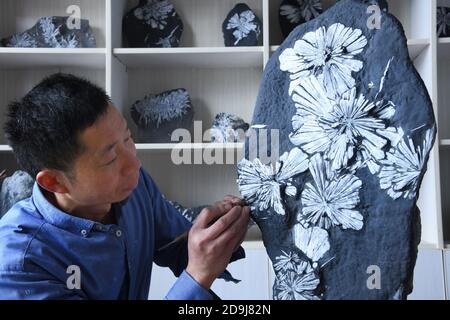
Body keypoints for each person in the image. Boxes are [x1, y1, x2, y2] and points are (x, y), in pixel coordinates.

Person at [0, 73, 250, 300]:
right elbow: (196, 270)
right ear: (54, 182)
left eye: (128, 138)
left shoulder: (133, 185)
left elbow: (175, 247)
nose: (135, 163)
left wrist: (216, 230)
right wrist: (197, 275)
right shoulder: (21, 266)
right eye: (110, 159)